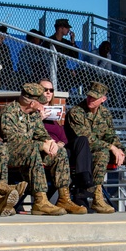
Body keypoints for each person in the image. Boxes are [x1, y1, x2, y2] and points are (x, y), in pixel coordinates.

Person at [65, 81, 126, 215]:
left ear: (103, 99)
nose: (91, 100)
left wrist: (118, 149)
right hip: (84, 154)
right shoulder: (76, 112)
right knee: (103, 153)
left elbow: (110, 135)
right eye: (89, 96)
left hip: (105, 148)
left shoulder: (105, 113)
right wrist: (111, 147)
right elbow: (86, 138)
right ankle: (97, 197)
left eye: (95, 98)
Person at [0, 83, 85, 215]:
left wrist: (50, 142)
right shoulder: (9, 112)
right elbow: (12, 139)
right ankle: (40, 200)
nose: (44, 105)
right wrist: (40, 145)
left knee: (60, 152)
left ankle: (64, 197)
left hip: (29, 152)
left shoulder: (34, 114)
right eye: (41, 103)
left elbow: (41, 133)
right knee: (34, 149)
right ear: (32, 103)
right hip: (11, 153)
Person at [39, 78, 93, 207]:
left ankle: (83, 179)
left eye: (50, 90)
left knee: (82, 141)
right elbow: (29, 132)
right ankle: (82, 190)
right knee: (66, 152)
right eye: (44, 90)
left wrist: (60, 144)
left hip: (60, 147)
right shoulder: (33, 113)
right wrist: (39, 118)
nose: (48, 92)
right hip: (46, 148)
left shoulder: (54, 114)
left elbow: (63, 138)